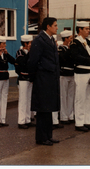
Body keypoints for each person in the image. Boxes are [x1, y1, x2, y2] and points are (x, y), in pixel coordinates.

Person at [28, 17, 60, 146]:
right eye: (55, 25)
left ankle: (48, 135)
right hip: (42, 78)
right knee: (42, 109)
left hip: (51, 78)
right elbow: (33, 61)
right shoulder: (39, 40)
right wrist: (33, 78)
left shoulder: (51, 39)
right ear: (48, 26)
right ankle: (41, 137)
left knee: (49, 108)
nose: (57, 27)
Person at [70, 21, 90, 132]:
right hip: (81, 73)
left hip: (89, 72)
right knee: (80, 98)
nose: (88, 31)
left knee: (88, 98)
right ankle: (79, 122)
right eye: (86, 29)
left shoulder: (86, 42)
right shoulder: (75, 42)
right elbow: (75, 56)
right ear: (80, 30)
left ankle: (86, 121)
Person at [15, 35, 35, 129]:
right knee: (23, 100)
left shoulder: (30, 52)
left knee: (28, 99)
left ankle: (28, 119)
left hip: (30, 78)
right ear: (25, 44)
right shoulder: (20, 52)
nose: (31, 44)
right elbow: (23, 63)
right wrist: (29, 53)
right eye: (30, 43)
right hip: (23, 78)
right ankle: (21, 121)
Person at [58, 30, 75, 125]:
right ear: (66, 39)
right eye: (70, 38)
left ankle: (70, 114)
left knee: (71, 95)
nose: (72, 40)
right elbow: (63, 59)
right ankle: (64, 116)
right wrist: (68, 49)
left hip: (72, 73)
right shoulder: (61, 48)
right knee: (63, 96)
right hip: (64, 73)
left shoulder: (71, 48)